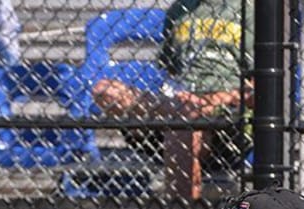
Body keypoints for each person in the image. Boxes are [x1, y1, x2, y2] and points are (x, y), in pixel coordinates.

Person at [91, 0, 252, 198]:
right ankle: (172, 114)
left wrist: (212, 100)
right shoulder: (179, 10)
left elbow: (259, 89)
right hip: (176, 105)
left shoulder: (250, 10)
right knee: (105, 91)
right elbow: (170, 71)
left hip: (227, 120)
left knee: (184, 120)